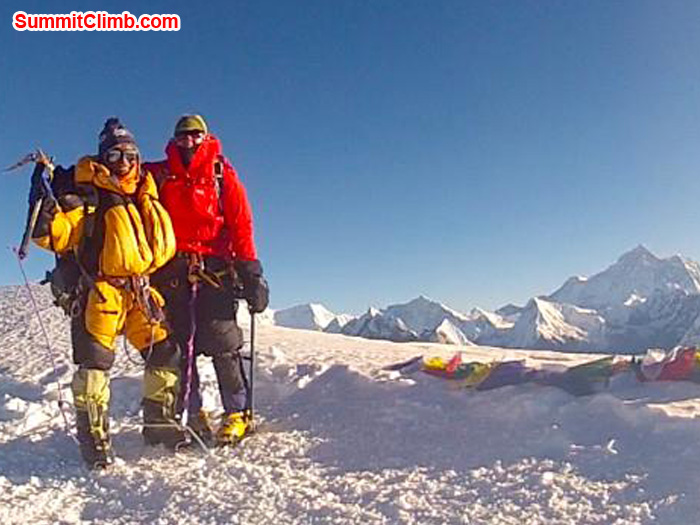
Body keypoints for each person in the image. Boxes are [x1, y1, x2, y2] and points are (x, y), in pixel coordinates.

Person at [32, 118, 185, 468]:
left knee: (164, 351)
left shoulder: (147, 192)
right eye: (115, 153)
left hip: (141, 291)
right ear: (103, 156)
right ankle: (95, 439)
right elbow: (55, 235)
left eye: (130, 153)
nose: (124, 161)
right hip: (101, 292)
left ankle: (161, 425)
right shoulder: (86, 193)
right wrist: (46, 209)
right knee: (94, 366)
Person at [146, 114, 269, 445]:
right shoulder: (158, 174)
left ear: (206, 137)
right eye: (183, 136)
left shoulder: (221, 173)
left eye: (195, 135)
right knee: (180, 347)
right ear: (174, 140)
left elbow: (241, 223)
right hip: (171, 270)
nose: (189, 142)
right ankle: (193, 413)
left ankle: (237, 413)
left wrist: (250, 270)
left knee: (223, 342)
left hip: (214, 268)